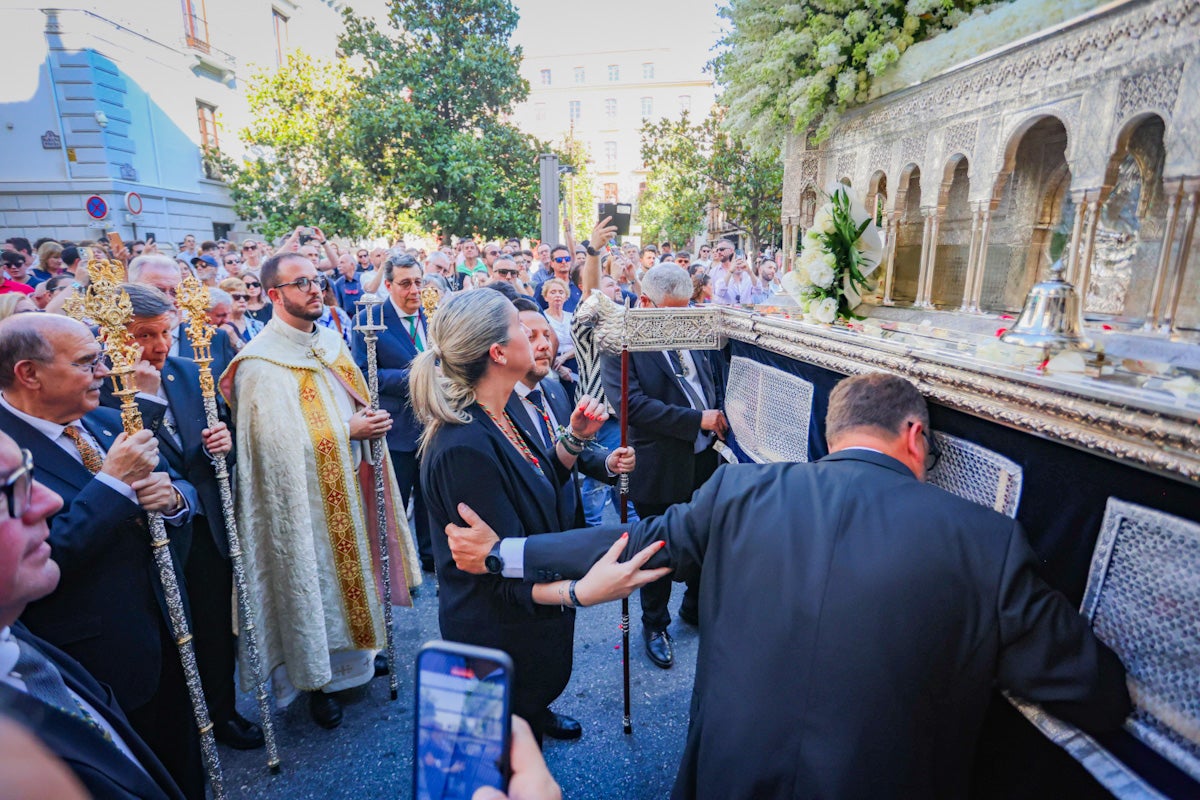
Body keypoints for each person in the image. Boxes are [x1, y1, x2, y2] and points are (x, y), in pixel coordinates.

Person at [446, 372, 1133, 800]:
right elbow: (1089, 689)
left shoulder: (741, 491)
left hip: (730, 771)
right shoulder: (984, 539)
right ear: (915, 434)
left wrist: (504, 553)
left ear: (831, 435)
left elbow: (631, 541)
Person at [413, 289, 665, 744]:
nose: (540, 335)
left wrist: (574, 440)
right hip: (497, 635)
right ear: (499, 352)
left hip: (532, 624)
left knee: (530, 708)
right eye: (521, 328)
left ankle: (534, 711)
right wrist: (581, 591)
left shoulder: (506, 406)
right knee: (509, 757)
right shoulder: (462, 449)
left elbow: (538, 477)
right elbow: (499, 572)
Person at [0, 313, 205, 797]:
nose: (105, 373)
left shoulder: (107, 419)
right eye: (88, 363)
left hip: (168, 631)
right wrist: (112, 485)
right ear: (29, 373)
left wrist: (174, 501)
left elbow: (179, 484)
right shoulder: (6, 451)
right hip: (93, 653)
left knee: (183, 771)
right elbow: (39, 558)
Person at [220, 252, 422, 730]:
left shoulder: (331, 341)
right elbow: (268, 448)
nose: (315, 289)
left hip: (351, 483)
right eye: (300, 283)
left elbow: (351, 402)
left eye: (318, 280)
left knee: (359, 569)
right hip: (302, 505)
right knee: (313, 583)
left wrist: (368, 421)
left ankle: (363, 657)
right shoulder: (259, 364)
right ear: (273, 295)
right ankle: (317, 683)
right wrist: (344, 430)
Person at [98, 284, 264, 751]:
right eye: (143, 335)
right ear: (114, 336)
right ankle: (181, 728)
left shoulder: (191, 373)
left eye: (165, 332)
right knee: (169, 636)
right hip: (147, 535)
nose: (158, 346)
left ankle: (222, 713)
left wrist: (224, 445)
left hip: (204, 522)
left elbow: (218, 434)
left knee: (213, 628)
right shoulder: (103, 388)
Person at [601, 264, 727, 669]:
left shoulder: (697, 326)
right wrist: (697, 420)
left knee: (707, 536)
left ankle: (694, 604)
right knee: (657, 548)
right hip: (659, 461)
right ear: (644, 303)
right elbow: (630, 406)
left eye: (685, 310)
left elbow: (713, 378)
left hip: (707, 457)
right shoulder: (621, 340)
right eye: (669, 313)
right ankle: (655, 625)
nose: (679, 320)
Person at [353, 255, 435, 574]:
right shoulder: (372, 320)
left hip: (435, 424)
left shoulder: (433, 314)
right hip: (396, 428)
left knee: (432, 498)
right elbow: (363, 374)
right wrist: (419, 376)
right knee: (394, 503)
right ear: (388, 285)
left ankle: (431, 558)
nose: (414, 290)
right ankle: (394, 569)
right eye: (405, 283)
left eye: (418, 282)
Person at [128, 255, 238, 381]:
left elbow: (226, 395)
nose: (169, 299)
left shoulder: (213, 338)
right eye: (158, 291)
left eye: (175, 292)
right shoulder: (114, 341)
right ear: (133, 292)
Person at [540, 279, 576, 395]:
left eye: (561, 292)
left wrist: (564, 357)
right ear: (545, 297)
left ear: (566, 297)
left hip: (573, 362)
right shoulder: (542, 318)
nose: (557, 295)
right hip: (551, 364)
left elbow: (580, 345)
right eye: (553, 292)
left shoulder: (572, 317)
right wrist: (559, 367)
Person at [217, 277, 264, 346]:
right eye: (236, 297)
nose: (242, 300)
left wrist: (237, 342)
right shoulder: (215, 326)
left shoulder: (257, 326)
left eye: (245, 297)